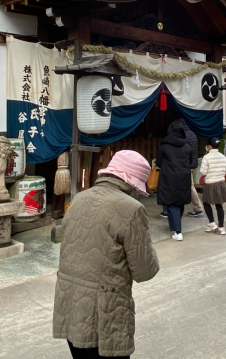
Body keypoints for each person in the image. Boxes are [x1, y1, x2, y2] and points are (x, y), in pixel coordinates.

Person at [53, 150, 160, 358]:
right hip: (105, 308)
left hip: (69, 301)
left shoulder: (79, 199)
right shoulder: (132, 209)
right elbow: (145, 270)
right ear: (131, 182)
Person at [161, 118, 203, 218]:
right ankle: (196, 207)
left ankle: (197, 208)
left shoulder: (183, 136)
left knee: (188, 185)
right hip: (191, 164)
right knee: (189, 185)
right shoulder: (192, 133)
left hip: (184, 165)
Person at [156, 123, 192, 241]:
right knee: (180, 201)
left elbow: (159, 162)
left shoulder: (164, 145)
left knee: (171, 202)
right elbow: (191, 161)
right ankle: (177, 225)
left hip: (169, 176)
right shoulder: (187, 146)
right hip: (184, 176)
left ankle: (178, 231)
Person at [200, 136, 226, 235]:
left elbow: (203, 171)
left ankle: (212, 222)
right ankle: (221, 227)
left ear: (209, 146)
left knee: (206, 202)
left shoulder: (206, 157)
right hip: (220, 182)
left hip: (210, 183)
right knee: (219, 204)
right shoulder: (222, 156)